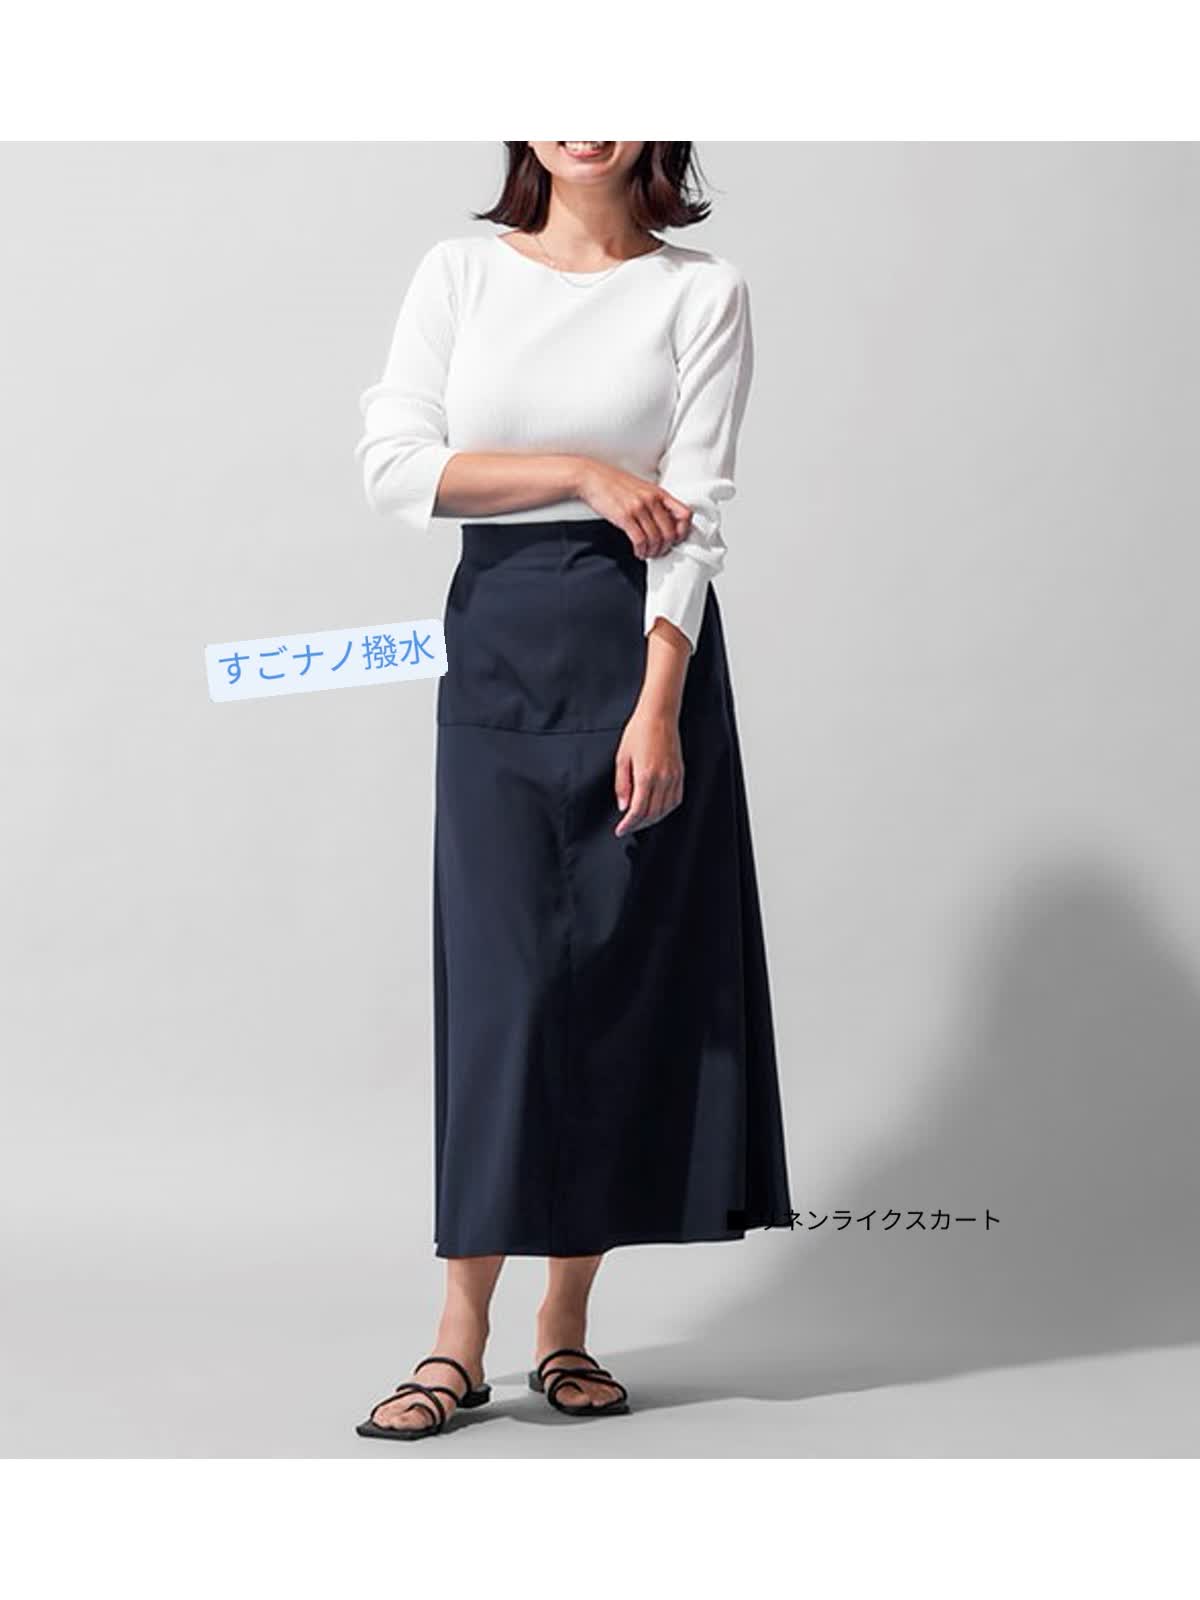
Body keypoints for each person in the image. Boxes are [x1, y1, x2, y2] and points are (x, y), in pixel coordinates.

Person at [351, 141, 792, 1441]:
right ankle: (455, 1342)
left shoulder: (701, 291)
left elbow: (696, 512)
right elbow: (395, 467)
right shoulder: (460, 274)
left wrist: (660, 704)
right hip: (498, 640)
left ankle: (565, 1328)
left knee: (609, 985)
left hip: (640, 649)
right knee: (502, 997)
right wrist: (583, 472)